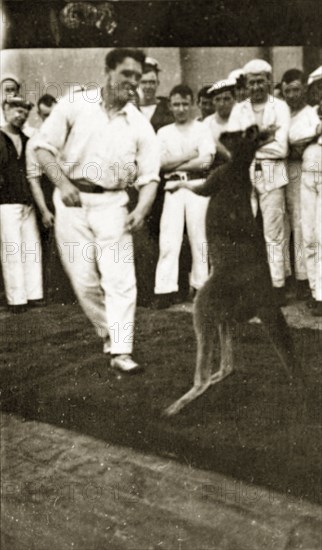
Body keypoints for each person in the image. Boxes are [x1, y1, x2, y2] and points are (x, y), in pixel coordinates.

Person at [33, 48, 160, 372]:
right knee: (85, 282)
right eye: (126, 75)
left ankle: (121, 350)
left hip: (114, 205)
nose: (133, 83)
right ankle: (109, 332)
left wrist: (141, 209)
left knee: (120, 280)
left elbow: (150, 177)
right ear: (108, 72)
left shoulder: (139, 124)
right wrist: (62, 184)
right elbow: (43, 150)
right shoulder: (75, 104)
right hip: (72, 204)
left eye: (137, 77)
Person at [228, 59, 291, 306]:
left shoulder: (280, 107)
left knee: (273, 232)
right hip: (245, 176)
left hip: (273, 175)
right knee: (245, 231)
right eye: (251, 82)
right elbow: (233, 146)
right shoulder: (239, 110)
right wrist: (265, 139)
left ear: (268, 81)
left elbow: (281, 148)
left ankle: (277, 286)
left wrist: (251, 145)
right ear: (247, 83)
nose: (256, 86)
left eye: (261, 81)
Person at [154, 84, 215, 308]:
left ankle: (200, 287)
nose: (180, 108)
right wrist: (190, 154)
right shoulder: (164, 132)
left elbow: (206, 160)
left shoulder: (201, 129)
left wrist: (178, 160)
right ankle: (164, 290)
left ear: (191, 105)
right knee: (169, 239)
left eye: (184, 104)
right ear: (170, 106)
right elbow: (160, 163)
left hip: (197, 183)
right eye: (176, 104)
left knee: (199, 237)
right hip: (173, 186)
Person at [0, 96, 44, 313]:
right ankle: (17, 298)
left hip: (27, 201)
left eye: (25, 111)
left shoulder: (28, 140)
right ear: (5, 109)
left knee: (31, 247)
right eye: (16, 109)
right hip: (5, 202)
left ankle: (34, 295)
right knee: (12, 249)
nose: (21, 114)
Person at [281, 69, 316, 300]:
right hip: (279, 169)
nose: (292, 95)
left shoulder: (310, 114)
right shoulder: (281, 112)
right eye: (287, 91)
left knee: (300, 223)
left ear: (304, 88)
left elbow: (303, 141)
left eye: (296, 89)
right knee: (280, 224)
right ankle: (283, 279)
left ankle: (303, 279)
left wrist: (291, 147)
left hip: (298, 171)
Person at [300, 66, 322, 316]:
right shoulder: (308, 115)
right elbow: (293, 140)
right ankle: (316, 290)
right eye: (318, 87)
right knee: (309, 235)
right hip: (308, 172)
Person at [203, 78, 236, 166]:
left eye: (226, 99)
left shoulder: (242, 119)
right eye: (217, 99)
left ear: (234, 99)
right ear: (213, 101)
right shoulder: (207, 123)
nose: (222, 103)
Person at [138, 56, 173, 132]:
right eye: (144, 82)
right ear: (138, 84)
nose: (148, 87)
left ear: (158, 83)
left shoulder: (167, 108)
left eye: (152, 82)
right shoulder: (133, 109)